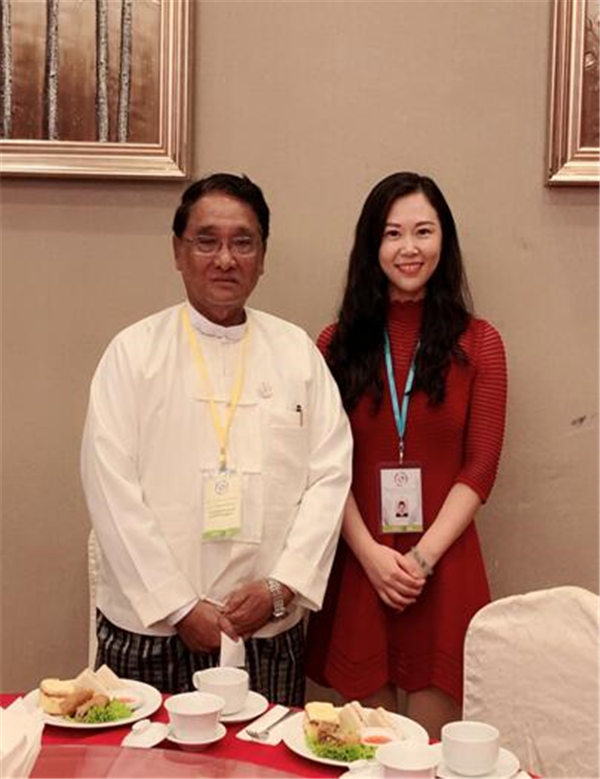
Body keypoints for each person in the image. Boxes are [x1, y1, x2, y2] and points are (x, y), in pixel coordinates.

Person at [81, 173, 352, 706]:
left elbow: (331, 474)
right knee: (143, 753)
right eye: (207, 241)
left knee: (262, 751)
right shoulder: (133, 354)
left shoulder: (296, 353)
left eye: (242, 242)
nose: (225, 259)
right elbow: (110, 489)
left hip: (265, 629)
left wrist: (281, 587)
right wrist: (179, 606)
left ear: (263, 256)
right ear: (178, 252)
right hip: (150, 628)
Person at [306, 172, 507, 737]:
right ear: (372, 244)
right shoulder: (334, 345)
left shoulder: (481, 342)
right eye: (393, 233)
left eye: (424, 231)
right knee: (363, 750)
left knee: (433, 755)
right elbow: (323, 468)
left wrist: (422, 559)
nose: (409, 248)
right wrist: (370, 555)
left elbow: (480, 466)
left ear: (445, 240)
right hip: (361, 565)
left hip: (443, 567)